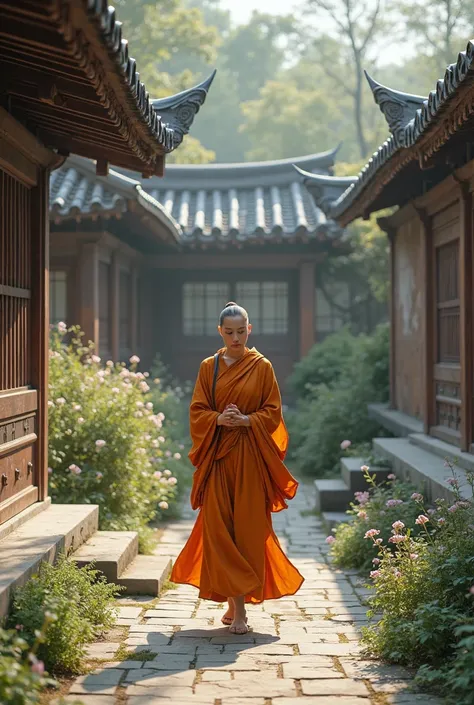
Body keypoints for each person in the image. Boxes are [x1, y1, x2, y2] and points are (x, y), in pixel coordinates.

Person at [170, 302, 304, 634]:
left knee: (246, 530)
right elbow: (197, 409)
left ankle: (239, 606)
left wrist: (246, 420)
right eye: (229, 332)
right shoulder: (208, 367)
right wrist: (218, 418)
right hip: (218, 458)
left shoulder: (262, 367)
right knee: (218, 531)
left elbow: (273, 411)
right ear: (220, 332)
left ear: (250, 329)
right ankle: (236, 606)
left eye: (241, 331)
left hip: (249, 457)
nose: (235, 338)